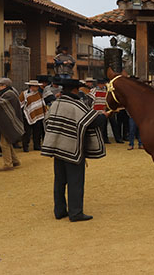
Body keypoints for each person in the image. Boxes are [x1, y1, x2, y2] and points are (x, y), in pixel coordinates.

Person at [41, 78, 107, 222]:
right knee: (75, 181)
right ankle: (76, 213)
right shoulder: (75, 105)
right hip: (72, 149)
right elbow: (91, 121)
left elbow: (47, 121)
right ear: (75, 90)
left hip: (58, 148)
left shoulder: (56, 103)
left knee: (59, 181)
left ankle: (59, 211)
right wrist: (103, 116)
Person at [0, 78, 25, 171]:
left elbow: (1, 105)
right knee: (7, 141)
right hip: (7, 122)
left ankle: (8, 164)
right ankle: (15, 160)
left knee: (4, 143)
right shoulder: (9, 93)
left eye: (0, 85)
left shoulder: (9, 94)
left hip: (8, 123)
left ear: (5, 86)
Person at [19, 80, 47, 152]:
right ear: (31, 86)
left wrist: (44, 112)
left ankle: (37, 145)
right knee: (27, 132)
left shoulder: (39, 94)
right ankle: (25, 146)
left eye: (37, 86)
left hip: (38, 116)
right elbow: (20, 104)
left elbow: (42, 104)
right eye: (35, 86)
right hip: (27, 116)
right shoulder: (24, 94)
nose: (37, 88)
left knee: (37, 132)